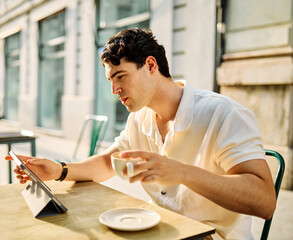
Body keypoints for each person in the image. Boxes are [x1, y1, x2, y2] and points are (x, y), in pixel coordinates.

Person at [6, 28, 276, 240]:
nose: (114, 90)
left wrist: (181, 172)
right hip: (163, 230)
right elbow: (107, 162)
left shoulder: (223, 114)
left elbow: (265, 202)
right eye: (110, 80)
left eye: (120, 76)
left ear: (150, 65)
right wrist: (59, 170)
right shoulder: (140, 117)